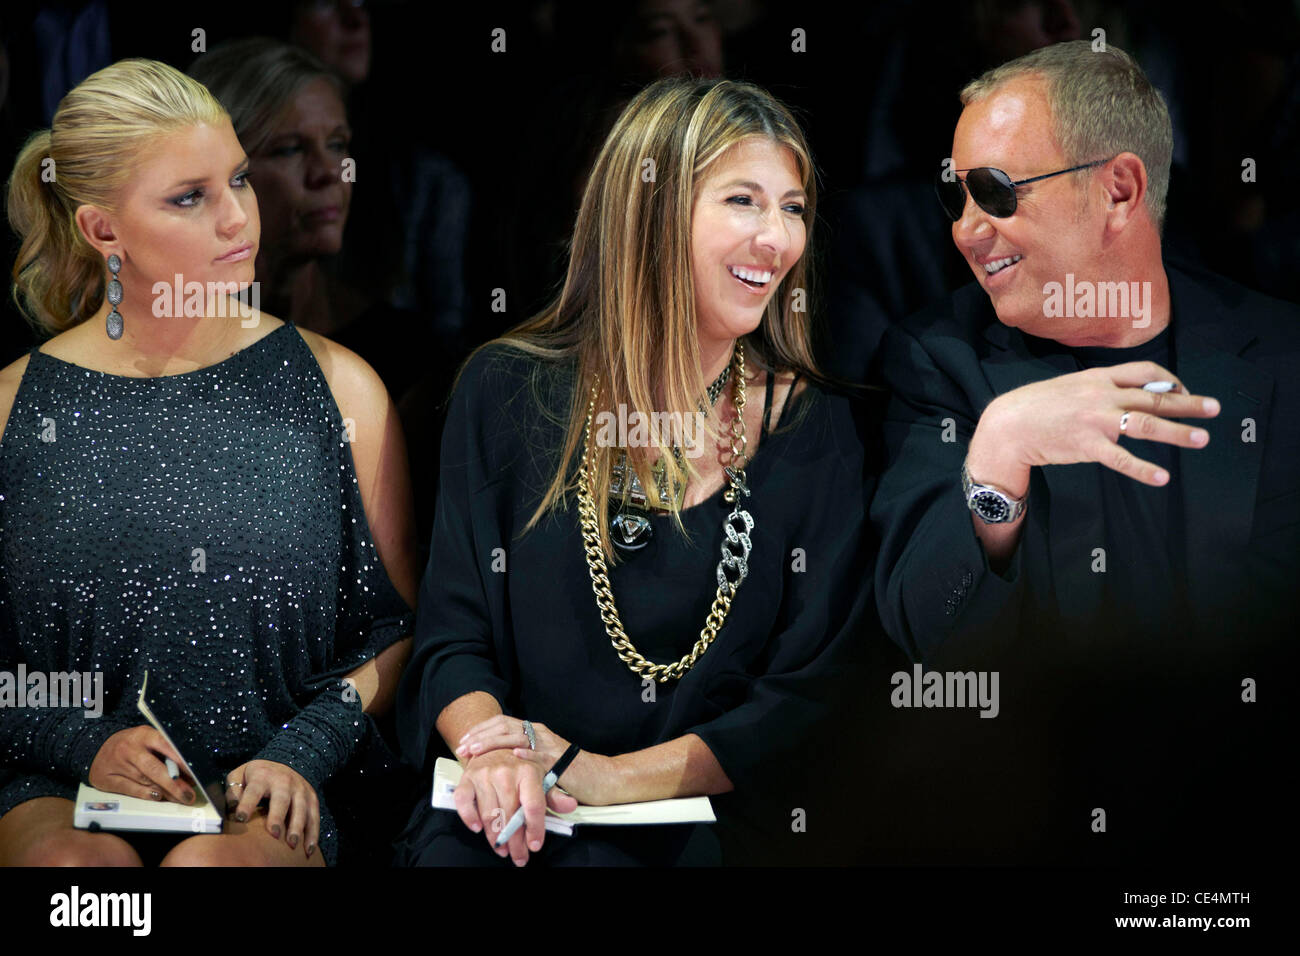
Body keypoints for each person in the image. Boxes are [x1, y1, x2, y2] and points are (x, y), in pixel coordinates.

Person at [393, 76, 877, 867]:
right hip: (516, 811)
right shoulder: (506, 389)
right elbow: (454, 640)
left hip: (710, 827)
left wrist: (606, 778)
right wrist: (496, 758)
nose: (777, 239)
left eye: (792, 208)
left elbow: (806, 700)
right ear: (649, 213)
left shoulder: (814, 425)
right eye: (743, 202)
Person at [869, 40, 1297, 861]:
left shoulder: (1281, 361)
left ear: (1119, 189)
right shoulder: (936, 363)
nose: (965, 229)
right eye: (952, 195)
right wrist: (1002, 445)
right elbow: (932, 638)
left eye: (994, 191)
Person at [0, 58, 418, 867]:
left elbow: (395, 630)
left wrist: (301, 752)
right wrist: (80, 744)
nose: (238, 219)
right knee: (73, 874)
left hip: (279, 784)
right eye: (190, 198)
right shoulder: (15, 409)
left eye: (239, 181)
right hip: (62, 782)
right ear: (102, 230)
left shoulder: (341, 389)